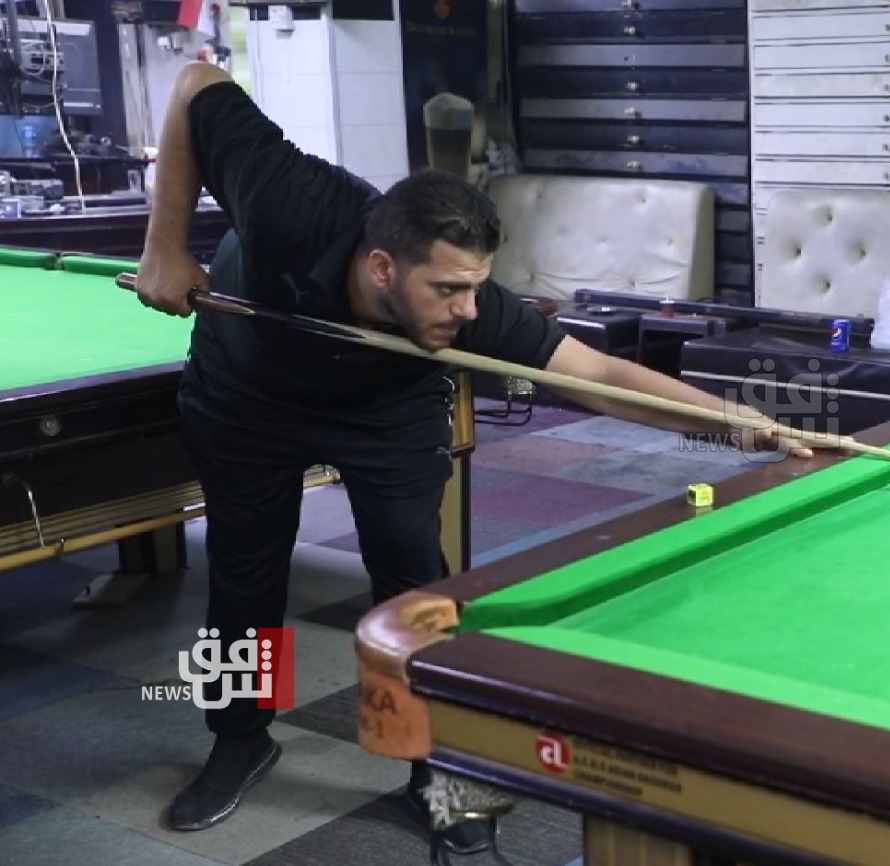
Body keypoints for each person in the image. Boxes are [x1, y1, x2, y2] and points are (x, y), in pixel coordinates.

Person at [134, 61, 817, 852]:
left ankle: (435, 765)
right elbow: (194, 81)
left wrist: (732, 423)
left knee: (411, 574)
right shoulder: (287, 195)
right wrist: (164, 247)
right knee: (245, 567)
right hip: (247, 388)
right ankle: (240, 737)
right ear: (383, 268)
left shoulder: (472, 308)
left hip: (386, 408)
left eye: (476, 288)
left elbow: (597, 377)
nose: (468, 309)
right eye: (448, 290)